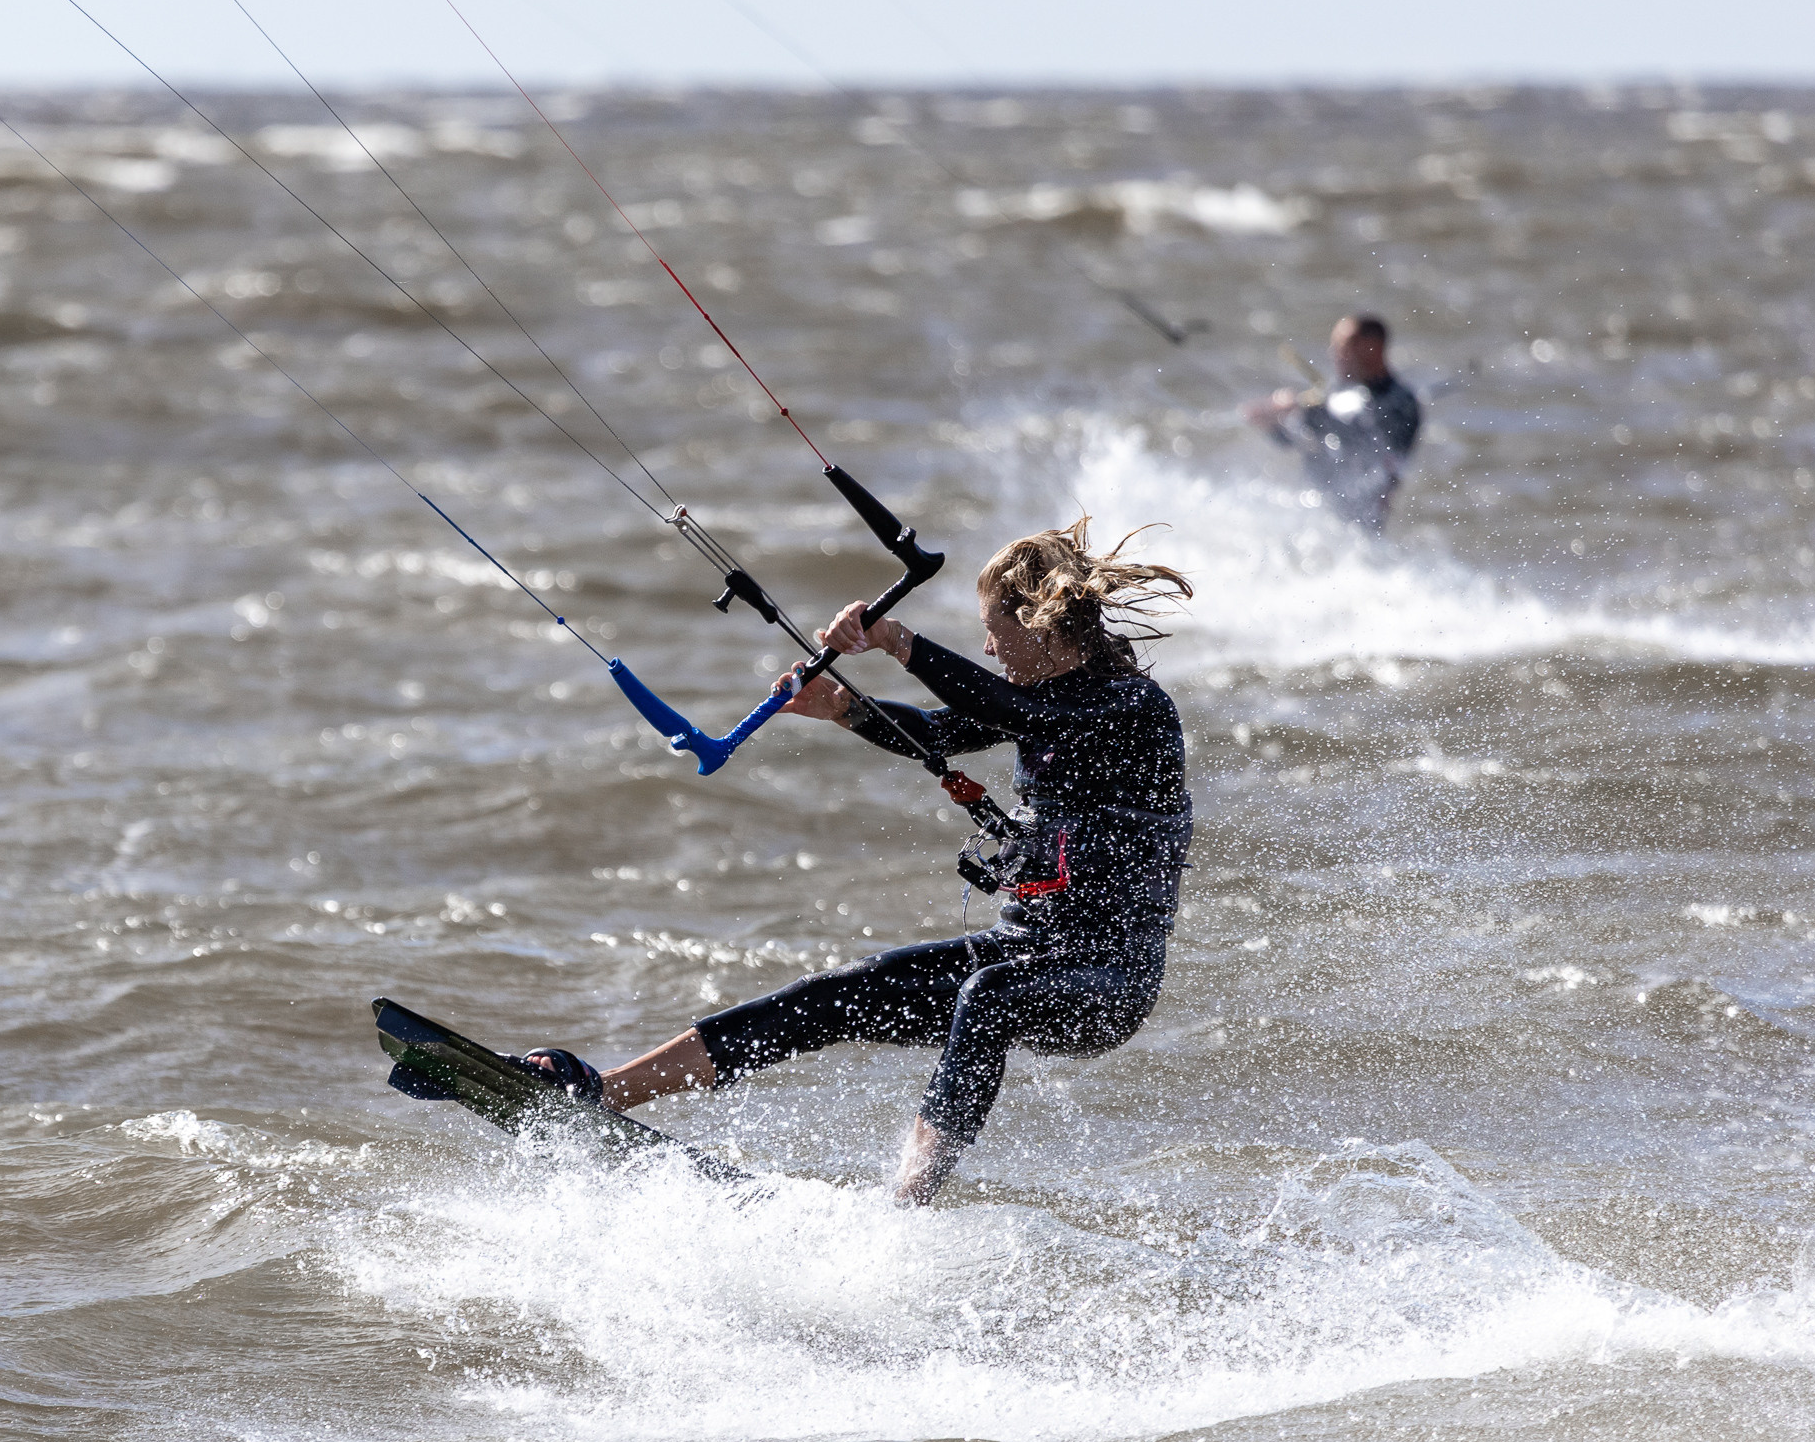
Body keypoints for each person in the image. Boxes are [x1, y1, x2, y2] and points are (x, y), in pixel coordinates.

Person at [519, 519, 1195, 1205]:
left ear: (1043, 623)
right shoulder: (1037, 701)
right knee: (841, 991)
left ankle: (907, 1205)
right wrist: (845, 708)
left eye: (995, 628)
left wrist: (898, 641)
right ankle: (608, 1091)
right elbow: (936, 729)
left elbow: (1004, 706)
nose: (988, 646)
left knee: (987, 995)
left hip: (1105, 978)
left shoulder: (1130, 706)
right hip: (1022, 947)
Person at [1243, 313, 1422, 532]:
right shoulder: (1338, 394)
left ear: (1371, 347)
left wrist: (1302, 411)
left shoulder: (1400, 403)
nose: (1334, 353)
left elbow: (1360, 434)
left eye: (1343, 345)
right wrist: (1273, 422)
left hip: (1361, 522)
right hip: (1319, 513)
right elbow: (1307, 440)